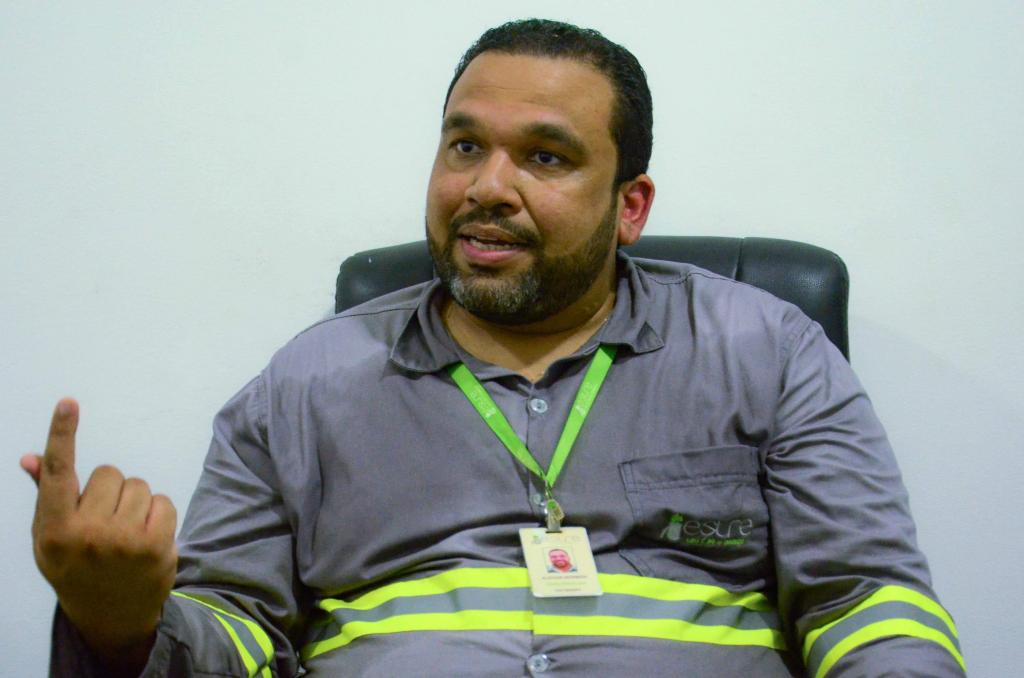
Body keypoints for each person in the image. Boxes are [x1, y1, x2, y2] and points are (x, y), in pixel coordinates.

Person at [24, 18, 965, 678]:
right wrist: (123, 625)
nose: (487, 187)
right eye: (465, 146)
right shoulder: (305, 385)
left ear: (630, 206)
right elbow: (237, 634)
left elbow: (865, 602)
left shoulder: (768, 350)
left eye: (546, 158)